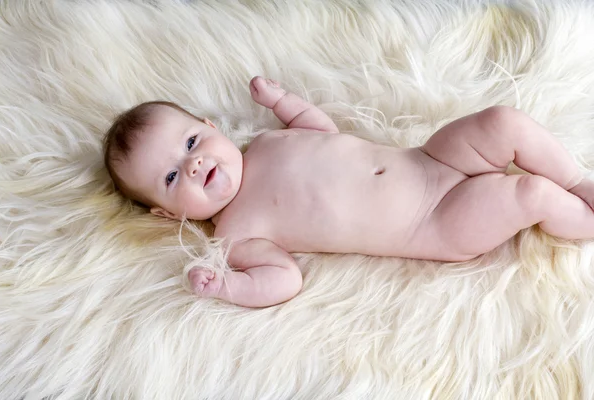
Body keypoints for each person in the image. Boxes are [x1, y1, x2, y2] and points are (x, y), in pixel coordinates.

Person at [103, 76, 594, 307]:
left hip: (428, 159)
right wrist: (227, 286)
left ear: (211, 127)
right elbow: (283, 280)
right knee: (528, 194)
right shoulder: (236, 232)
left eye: (191, 142)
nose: (194, 164)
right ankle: (583, 218)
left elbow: (321, 133)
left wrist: (283, 102)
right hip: (435, 222)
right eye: (171, 178)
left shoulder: (266, 142)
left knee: (501, 121)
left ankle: (576, 180)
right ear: (166, 214)